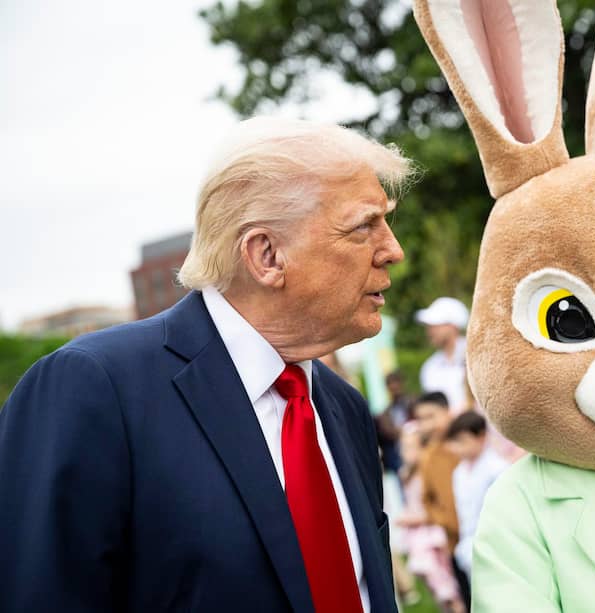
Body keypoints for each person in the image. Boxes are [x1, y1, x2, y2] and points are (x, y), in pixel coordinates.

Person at [0, 117, 414, 612]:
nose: (393, 250)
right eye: (364, 226)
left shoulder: (342, 408)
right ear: (267, 256)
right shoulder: (94, 389)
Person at [395, 422, 463, 613]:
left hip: (431, 533)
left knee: (448, 586)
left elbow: (436, 507)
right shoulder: (405, 474)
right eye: (403, 447)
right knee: (435, 587)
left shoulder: (428, 473)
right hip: (417, 536)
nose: (405, 452)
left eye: (411, 447)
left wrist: (412, 519)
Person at [412, 391, 468, 606]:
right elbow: (427, 499)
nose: (427, 424)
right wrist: (444, 521)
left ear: (447, 412)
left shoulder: (464, 446)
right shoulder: (427, 457)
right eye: (421, 419)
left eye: (431, 416)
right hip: (455, 542)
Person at [444, 411, 509, 589]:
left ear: (481, 437)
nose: (458, 447)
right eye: (455, 442)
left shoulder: (497, 469)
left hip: (496, 545)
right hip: (469, 544)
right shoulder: (460, 472)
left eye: (463, 441)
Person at [416, 297, 472, 413]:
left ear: (452, 326)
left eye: (435, 325)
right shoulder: (429, 367)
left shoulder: (475, 356)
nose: (429, 331)